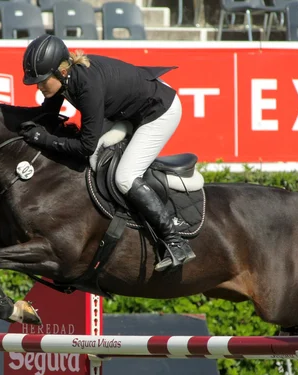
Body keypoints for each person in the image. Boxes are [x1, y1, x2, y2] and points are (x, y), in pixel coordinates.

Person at [19, 34, 195, 272]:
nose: (38, 86)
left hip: (159, 111)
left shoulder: (86, 86)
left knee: (125, 177)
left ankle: (175, 241)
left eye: (42, 80)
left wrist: (44, 139)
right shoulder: (66, 78)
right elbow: (46, 116)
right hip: (128, 110)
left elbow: (85, 147)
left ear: (61, 72)